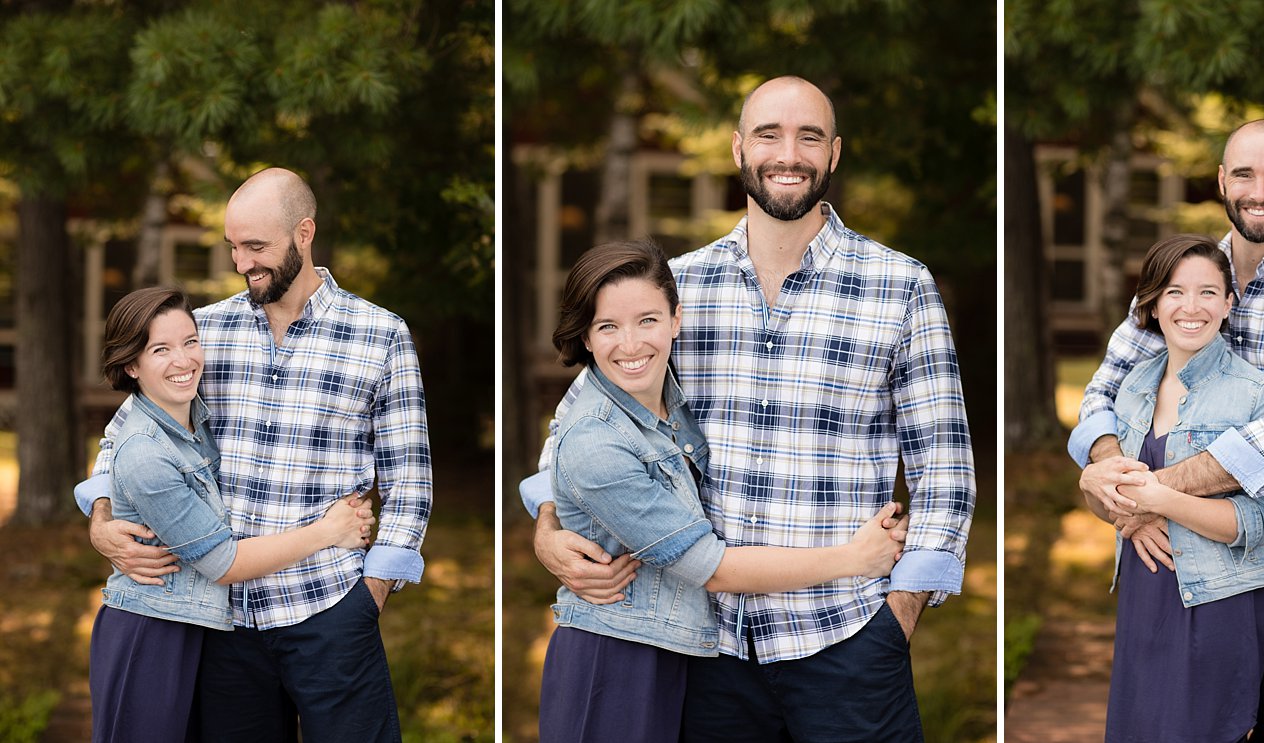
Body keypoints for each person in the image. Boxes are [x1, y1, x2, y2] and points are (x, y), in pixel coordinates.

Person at [520, 75, 975, 741]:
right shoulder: (676, 288)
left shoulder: (899, 287)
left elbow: (946, 467)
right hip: (709, 651)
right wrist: (549, 526)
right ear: (738, 148)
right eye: (769, 134)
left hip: (847, 638)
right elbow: (582, 419)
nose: (787, 153)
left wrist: (898, 613)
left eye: (808, 136)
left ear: (835, 153)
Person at [76, 168, 432, 742]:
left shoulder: (381, 335)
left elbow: (409, 481)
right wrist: (100, 518)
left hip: (331, 608)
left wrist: (371, 596)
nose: (242, 262)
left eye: (256, 247)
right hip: (224, 622)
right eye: (234, 247)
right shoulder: (202, 334)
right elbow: (126, 437)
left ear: (304, 233)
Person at [538, 238, 910, 742]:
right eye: (607, 326)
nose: (630, 344)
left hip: (683, 656)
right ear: (585, 336)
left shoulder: (665, 392)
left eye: (647, 320)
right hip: (615, 656)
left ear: (676, 319)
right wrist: (855, 558)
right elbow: (707, 566)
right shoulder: (598, 439)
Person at [1070, 120, 1264, 743]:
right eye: (1244, 174)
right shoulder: (1185, 274)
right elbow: (1103, 392)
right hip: (1168, 560)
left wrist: (1148, 497)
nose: (1259, 191)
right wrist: (1109, 470)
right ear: (1221, 181)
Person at [88, 286, 376, 742]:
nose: (183, 361)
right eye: (160, 350)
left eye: (189, 342)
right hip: (152, 634)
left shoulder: (191, 415)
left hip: (203, 631)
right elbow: (223, 562)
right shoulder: (146, 453)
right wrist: (328, 530)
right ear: (131, 365)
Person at [1080, 235, 1264, 742]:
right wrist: (1093, 482)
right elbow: (1103, 500)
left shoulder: (1257, 393)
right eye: (1174, 292)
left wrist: (1160, 500)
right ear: (1151, 304)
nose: (1190, 307)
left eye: (1208, 293)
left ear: (1228, 304)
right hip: (1142, 601)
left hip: (1216, 606)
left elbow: (1257, 525)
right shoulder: (1131, 387)